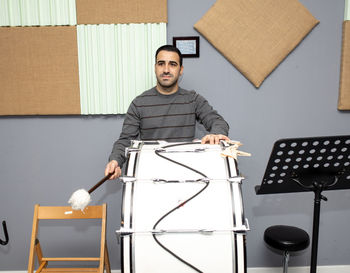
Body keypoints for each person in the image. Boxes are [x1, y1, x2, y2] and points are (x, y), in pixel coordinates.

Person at [105, 45, 230, 179]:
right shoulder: (139, 103)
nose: (166, 70)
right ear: (155, 67)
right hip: (151, 176)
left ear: (180, 70)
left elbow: (218, 122)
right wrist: (115, 161)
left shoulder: (193, 100)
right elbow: (125, 141)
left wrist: (216, 134)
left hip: (187, 175)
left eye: (172, 64)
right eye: (161, 64)